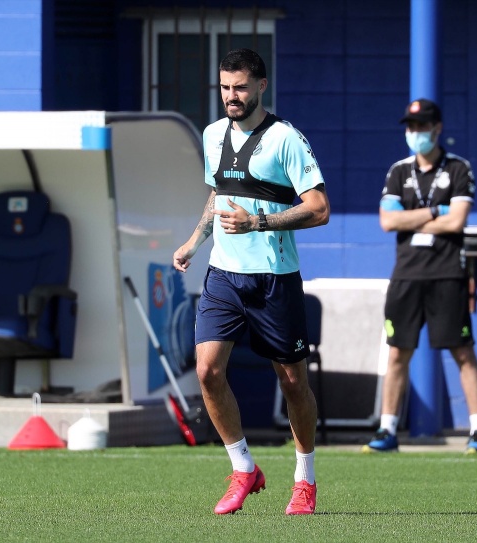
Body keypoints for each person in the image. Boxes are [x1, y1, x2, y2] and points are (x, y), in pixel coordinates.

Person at [173, 48, 330, 515]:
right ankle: (243, 468)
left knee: (293, 383)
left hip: (274, 279)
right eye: (225, 87)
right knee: (207, 371)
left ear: (261, 85)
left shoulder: (286, 139)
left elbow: (319, 209)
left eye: (240, 87)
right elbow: (219, 194)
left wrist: (259, 223)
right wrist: (194, 242)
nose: (231, 96)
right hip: (223, 274)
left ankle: (305, 479)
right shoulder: (211, 134)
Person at [366, 98, 477, 454]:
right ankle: (387, 430)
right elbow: (388, 221)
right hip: (407, 274)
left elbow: (457, 221)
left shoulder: (459, 168)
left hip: (447, 273)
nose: (415, 132)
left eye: (422, 126)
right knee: (397, 353)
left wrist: (412, 217)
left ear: (437, 128)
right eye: (411, 126)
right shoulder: (399, 171)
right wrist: (436, 210)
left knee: (462, 351)